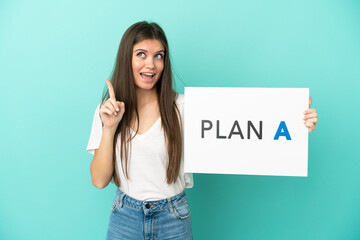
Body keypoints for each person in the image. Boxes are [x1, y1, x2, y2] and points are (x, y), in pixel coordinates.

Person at [86, 21, 318, 240]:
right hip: (125, 216)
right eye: (141, 54)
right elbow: (99, 180)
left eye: (159, 56)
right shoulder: (108, 111)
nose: (151, 64)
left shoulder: (185, 107)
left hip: (172, 218)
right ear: (127, 58)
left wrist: (296, 124)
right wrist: (109, 128)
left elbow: (250, 126)